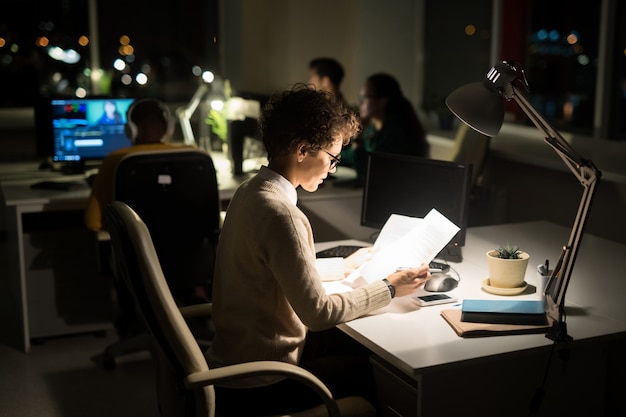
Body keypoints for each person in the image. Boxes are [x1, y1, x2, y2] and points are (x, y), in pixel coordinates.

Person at [206, 84, 431, 415]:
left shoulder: (249, 192)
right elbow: (318, 313)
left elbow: (270, 273)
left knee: (351, 349)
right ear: (302, 150)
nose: (334, 168)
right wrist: (389, 288)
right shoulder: (282, 214)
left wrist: (344, 266)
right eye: (332, 157)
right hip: (264, 383)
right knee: (370, 372)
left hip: (234, 366)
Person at [85, 98, 210, 313]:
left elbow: (93, 222)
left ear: (130, 129)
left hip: (139, 261)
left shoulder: (116, 160)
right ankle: (195, 295)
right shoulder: (195, 156)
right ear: (167, 129)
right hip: (190, 264)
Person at [340, 72, 429, 185]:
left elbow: (368, 171)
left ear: (382, 101)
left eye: (364, 97)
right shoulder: (372, 128)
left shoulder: (395, 134)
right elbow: (349, 157)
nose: (359, 102)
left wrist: (358, 137)